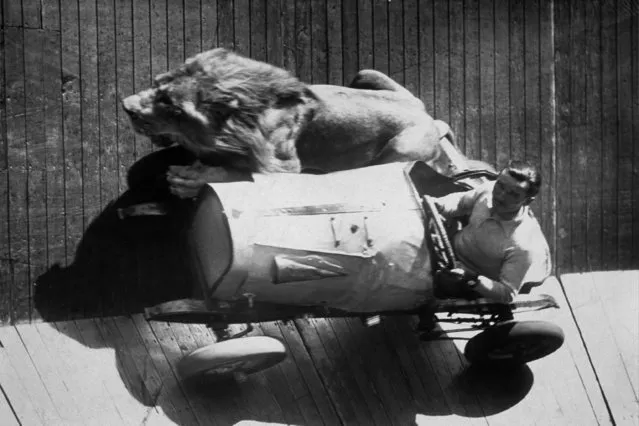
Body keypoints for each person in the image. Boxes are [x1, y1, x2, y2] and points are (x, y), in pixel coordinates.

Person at [432, 160, 551, 302]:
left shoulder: (524, 245)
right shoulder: (488, 190)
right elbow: (460, 203)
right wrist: (437, 204)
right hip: (446, 249)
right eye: (500, 186)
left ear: (527, 201)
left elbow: (507, 293)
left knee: (428, 284)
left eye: (513, 194)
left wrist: (473, 280)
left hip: (465, 279)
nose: (501, 196)